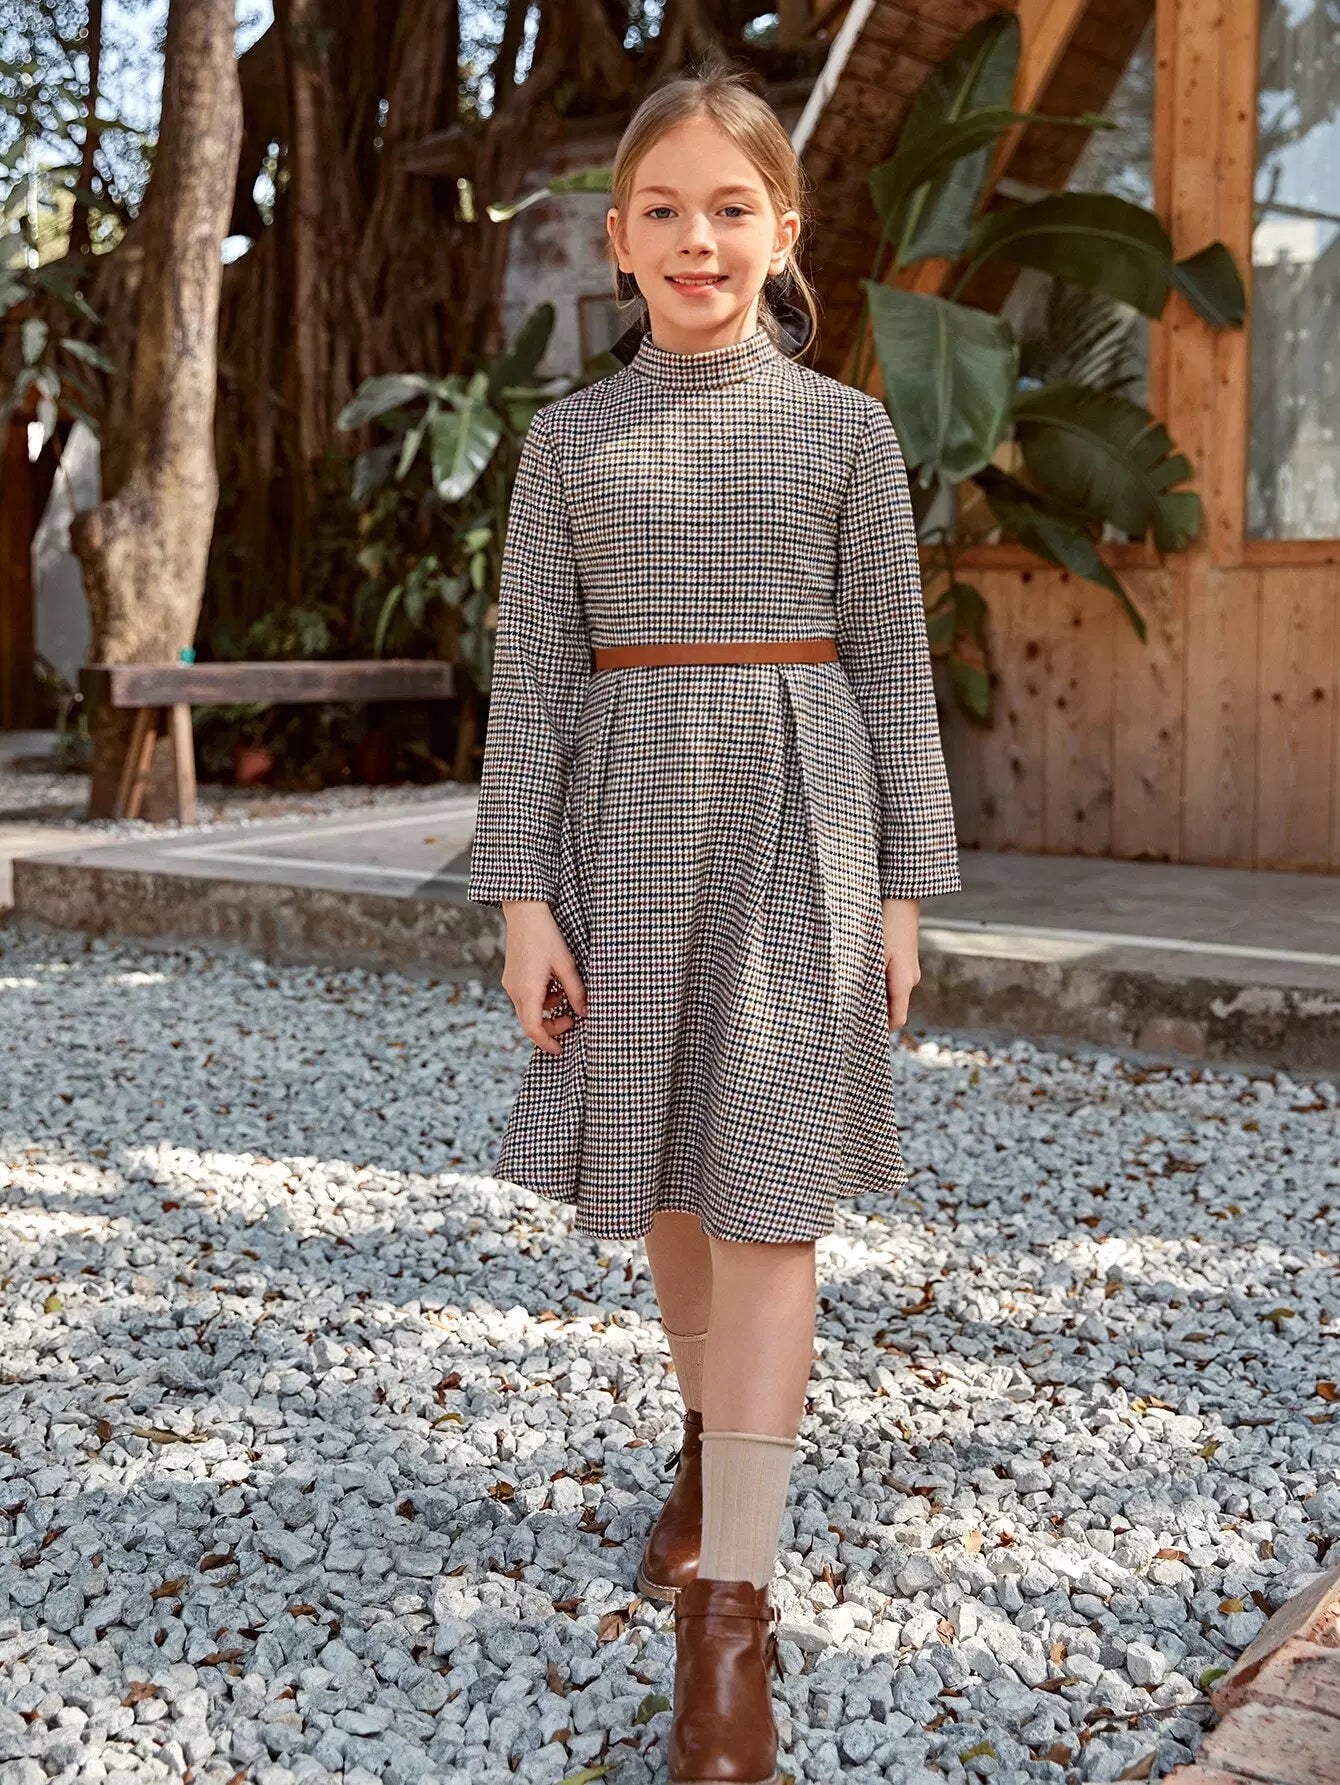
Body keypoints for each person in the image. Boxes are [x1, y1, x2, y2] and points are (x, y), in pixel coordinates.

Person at [467, 53, 961, 1785]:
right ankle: (708, 1433)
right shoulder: (566, 445)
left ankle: (730, 1620)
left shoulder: (847, 432)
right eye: (663, 211)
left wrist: (902, 891)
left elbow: (895, 670)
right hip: (622, 835)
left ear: (785, 230)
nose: (698, 240)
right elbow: (533, 684)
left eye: (730, 208)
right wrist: (522, 899)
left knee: (768, 1200)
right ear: (618, 239)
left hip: (801, 832)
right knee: (675, 1178)